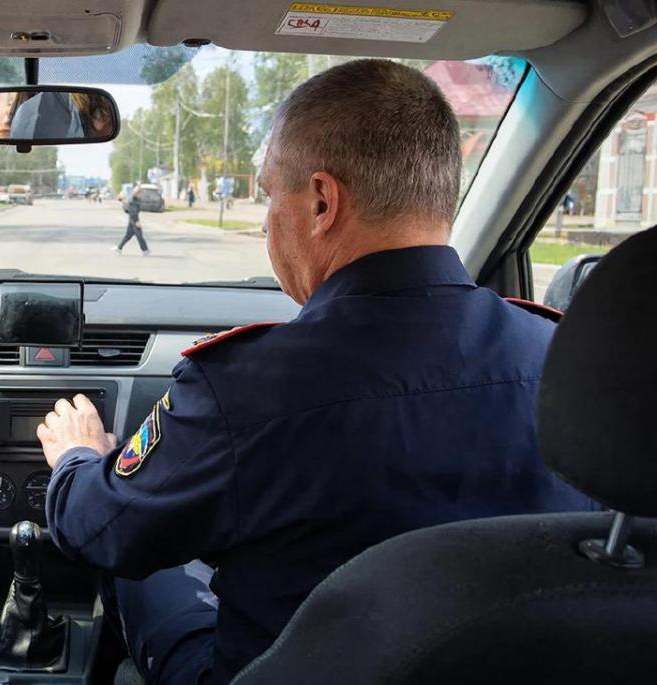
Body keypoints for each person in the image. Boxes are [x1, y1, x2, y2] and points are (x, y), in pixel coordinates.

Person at [37, 59, 597, 685]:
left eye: (272, 194)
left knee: (147, 566)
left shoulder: (247, 385)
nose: (264, 221)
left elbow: (103, 528)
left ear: (323, 201)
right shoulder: (566, 362)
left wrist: (77, 460)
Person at [114, 185, 150, 255]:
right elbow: (133, 212)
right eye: (140, 192)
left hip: (132, 219)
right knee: (139, 235)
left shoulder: (134, 199)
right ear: (137, 193)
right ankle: (145, 250)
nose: (141, 194)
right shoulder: (133, 200)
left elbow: (128, 210)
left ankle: (119, 248)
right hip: (134, 219)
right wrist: (136, 221)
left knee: (128, 235)